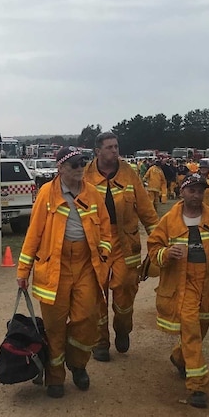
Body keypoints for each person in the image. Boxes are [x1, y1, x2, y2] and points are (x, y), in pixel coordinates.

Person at [16, 146, 113, 398]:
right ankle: (55, 378)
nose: (80, 168)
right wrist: (23, 270)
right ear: (61, 168)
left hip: (85, 265)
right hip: (55, 268)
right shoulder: (47, 194)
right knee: (55, 326)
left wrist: (104, 250)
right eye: (74, 165)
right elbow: (34, 233)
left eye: (82, 163)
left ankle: (78, 365)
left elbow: (104, 226)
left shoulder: (91, 193)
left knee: (86, 319)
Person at [146, 173, 209, 408]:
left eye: (200, 191)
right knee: (191, 332)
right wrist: (166, 254)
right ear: (182, 192)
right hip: (183, 286)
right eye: (192, 190)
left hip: (208, 287)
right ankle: (198, 386)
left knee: (202, 326)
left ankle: (179, 357)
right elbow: (153, 249)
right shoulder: (168, 221)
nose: (197, 195)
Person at [84, 132, 159, 361]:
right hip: (95, 243)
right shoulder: (85, 174)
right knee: (97, 295)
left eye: (116, 146)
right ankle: (100, 342)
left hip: (125, 243)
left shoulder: (129, 173)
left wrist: (158, 241)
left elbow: (146, 210)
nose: (114, 151)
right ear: (98, 151)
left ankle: (123, 329)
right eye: (109, 147)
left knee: (125, 290)